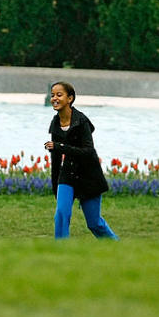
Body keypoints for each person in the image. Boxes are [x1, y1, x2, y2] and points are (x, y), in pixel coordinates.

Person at [44, 81, 118, 240]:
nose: (54, 98)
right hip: (67, 175)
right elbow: (56, 158)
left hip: (88, 176)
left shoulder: (81, 121)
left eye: (59, 95)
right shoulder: (55, 124)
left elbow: (88, 151)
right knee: (61, 215)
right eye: (52, 95)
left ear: (70, 98)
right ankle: (60, 253)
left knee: (94, 223)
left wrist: (61, 147)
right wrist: (55, 186)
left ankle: (117, 248)